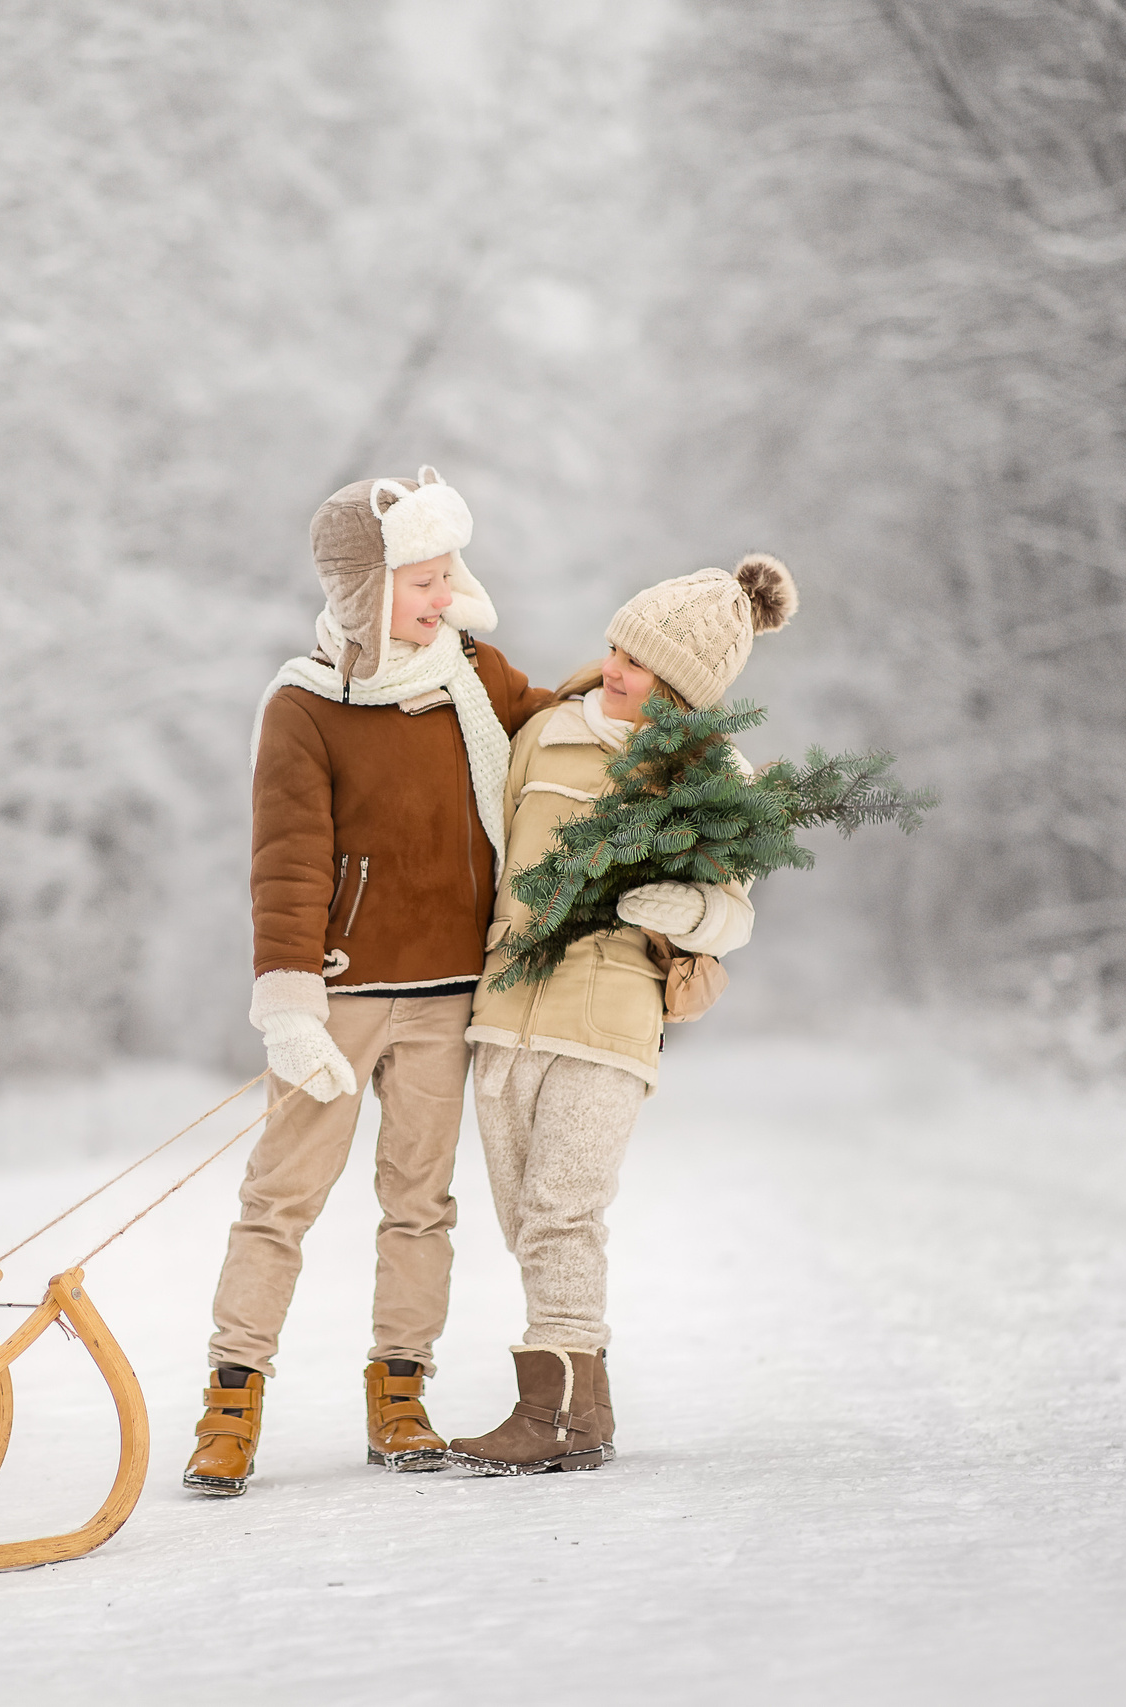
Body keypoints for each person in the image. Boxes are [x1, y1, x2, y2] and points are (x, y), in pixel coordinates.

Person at [183, 467, 561, 1497]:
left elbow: (554, 729)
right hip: (339, 1002)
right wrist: (288, 1001)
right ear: (363, 588)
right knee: (280, 1200)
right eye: (421, 579)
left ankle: (399, 1390)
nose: (444, 595)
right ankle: (231, 1399)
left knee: (420, 1204)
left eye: (448, 574)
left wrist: (642, 698)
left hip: (449, 995)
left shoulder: (472, 673)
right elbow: (290, 861)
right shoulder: (305, 704)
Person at [445, 555, 796, 1475]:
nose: (615, 667)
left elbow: (734, 911)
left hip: (606, 1021)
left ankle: (554, 1413)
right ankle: (579, 1405)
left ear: (683, 690)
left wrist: (672, 908)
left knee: (565, 1208)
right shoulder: (548, 735)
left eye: (639, 662)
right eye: (614, 645)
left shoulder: (714, 777)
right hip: (504, 1009)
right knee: (524, 1216)